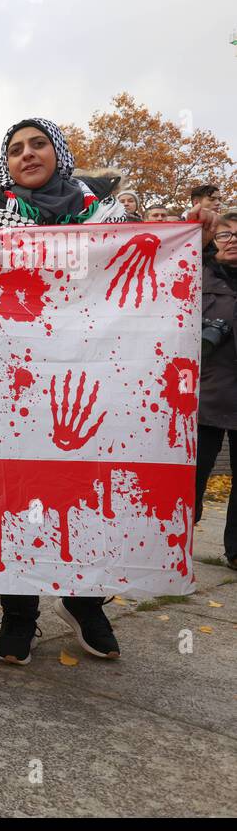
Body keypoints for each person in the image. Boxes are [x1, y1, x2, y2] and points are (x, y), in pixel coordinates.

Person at [0, 116, 141, 664]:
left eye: (39, 145)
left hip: (85, 379)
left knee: (81, 492)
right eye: (15, 149)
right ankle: (19, 615)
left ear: (59, 153)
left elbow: (147, 262)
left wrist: (194, 228)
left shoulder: (106, 217)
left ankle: (86, 602)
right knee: (15, 495)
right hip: (10, 383)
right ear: (5, 162)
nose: (26, 155)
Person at [195, 212, 237, 567]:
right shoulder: (197, 273)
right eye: (226, 234)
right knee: (192, 475)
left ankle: (236, 552)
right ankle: (176, 539)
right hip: (203, 393)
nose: (233, 240)